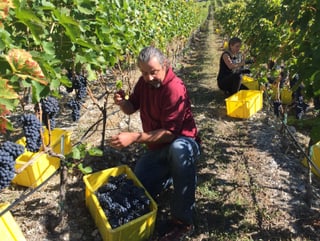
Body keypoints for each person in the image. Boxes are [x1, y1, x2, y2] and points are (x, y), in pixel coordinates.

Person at [110, 46, 201, 240]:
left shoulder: (174, 88)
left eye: (153, 72)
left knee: (179, 150)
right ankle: (171, 173)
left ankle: (183, 221)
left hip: (181, 142)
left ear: (165, 65)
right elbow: (131, 107)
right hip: (158, 147)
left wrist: (134, 137)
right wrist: (122, 102)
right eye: (144, 73)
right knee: (139, 185)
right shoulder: (144, 84)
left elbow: (169, 134)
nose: (149, 77)